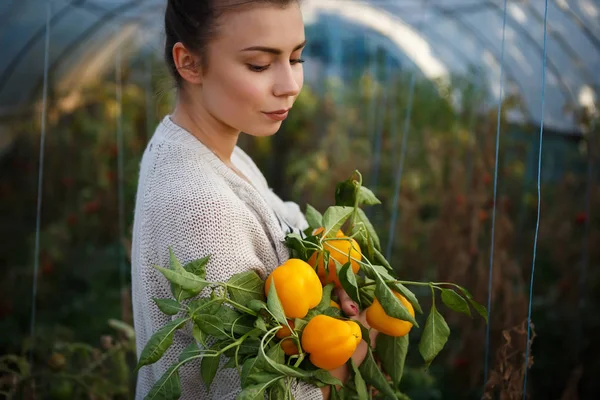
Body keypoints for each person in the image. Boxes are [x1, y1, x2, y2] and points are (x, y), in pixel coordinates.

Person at [131, 1, 376, 399]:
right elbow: (254, 390)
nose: (291, 84)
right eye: (260, 65)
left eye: (296, 57)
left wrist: (332, 276)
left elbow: (285, 224)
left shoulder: (205, 149)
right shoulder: (202, 207)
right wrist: (356, 346)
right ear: (189, 63)